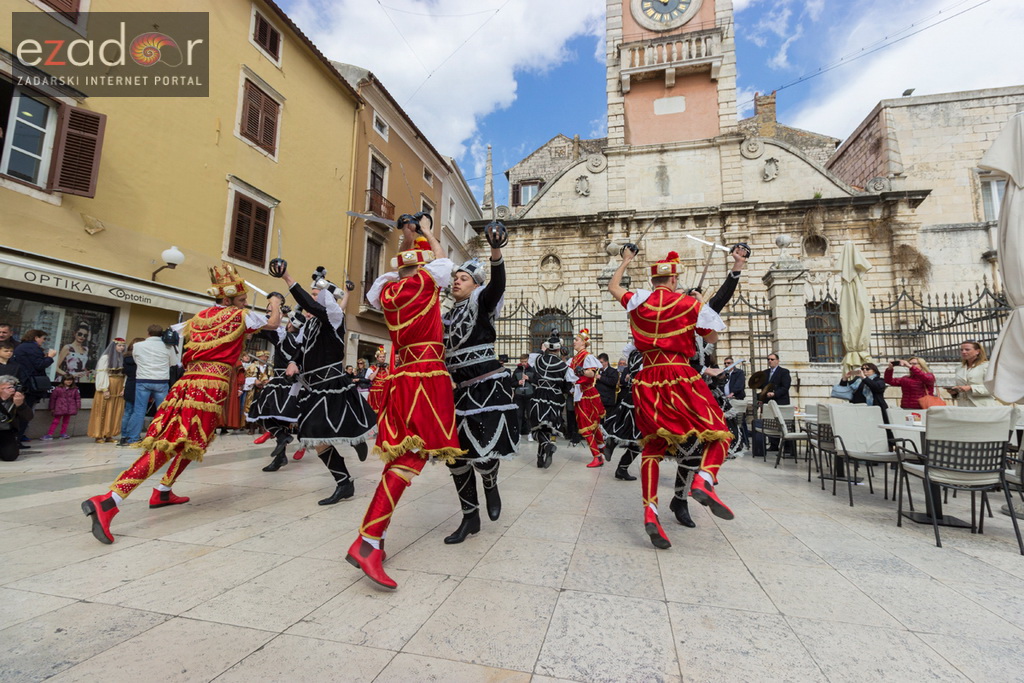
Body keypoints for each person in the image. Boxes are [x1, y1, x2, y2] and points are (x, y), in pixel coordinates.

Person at [81, 264, 282, 544]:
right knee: (174, 442)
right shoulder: (238, 316)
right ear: (227, 300)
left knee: (196, 440)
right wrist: (275, 303)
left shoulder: (197, 318)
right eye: (241, 300)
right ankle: (110, 499)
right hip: (209, 388)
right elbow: (272, 324)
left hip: (188, 384)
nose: (245, 304)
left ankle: (163, 490)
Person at [348, 213, 462, 589]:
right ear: (423, 267)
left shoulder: (388, 294)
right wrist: (427, 231)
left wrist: (406, 238)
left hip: (400, 376)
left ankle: (373, 539)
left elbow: (385, 282)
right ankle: (368, 541)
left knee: (402, 456)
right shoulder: (426, 282)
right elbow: (444, 261)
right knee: (413, 457)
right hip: (427, 377)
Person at [608, 247, 734, 550]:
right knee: (718, 432)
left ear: (653, 281)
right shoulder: (689, 303)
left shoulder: (638, 300)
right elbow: (712, 337)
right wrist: (700, 306)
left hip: (648, 378)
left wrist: (626, 261)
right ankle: (703, 478)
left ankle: (650, 512)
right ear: (675, 279)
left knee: (652, 446)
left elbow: (613, 287)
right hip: (680, 375)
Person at [440, 222, 520, 544]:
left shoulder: (483, 302)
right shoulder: (445, 317)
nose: (456, 282)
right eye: (455, 278)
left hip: (486, 387)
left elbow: (498, 284)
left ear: (475, 285)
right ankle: (470, 518)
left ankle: (491, 483)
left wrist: (496, 251)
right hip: (456, 392)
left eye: (463, 279)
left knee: (482, 452)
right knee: (456, 458)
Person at [278, 266, 376, 504]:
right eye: (311, 294)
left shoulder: (332, 318)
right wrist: (293, 362)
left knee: (314, 432)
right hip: (315, 388)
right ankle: (344, 482)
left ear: (326, 299)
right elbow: (301, 349)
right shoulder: (310, 325)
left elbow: (313, 307)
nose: (311, 299)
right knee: (315, 436)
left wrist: (288, 278)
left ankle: (347, 473)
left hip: (332, 385)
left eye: (315, 295)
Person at [249, 318, 303, 472]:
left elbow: (265, 330)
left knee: (259, 410)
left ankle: (280, 437)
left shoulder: (283, 336)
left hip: (281, 382)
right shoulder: (303, 342)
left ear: (291, 324)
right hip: (297, 385)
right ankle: (280, 457)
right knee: (284, 421)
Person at [123, 325, 177, 445]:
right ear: (161, 334)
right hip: (161, 380)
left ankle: (133, 438)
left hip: (143, 379)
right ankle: (161, 436)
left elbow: (137, 360)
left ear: (148, 333)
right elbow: (173, 363)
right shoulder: (168, 346)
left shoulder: (138, 346)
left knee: (139, 410)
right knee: (162, 410)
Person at [602, 340, 641, 481]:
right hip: (644, 399)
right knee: (640, 437)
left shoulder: (635, 355)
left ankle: (621, 467)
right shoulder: (644, 355)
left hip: (633, 397)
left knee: (636, 437)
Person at [529, 334, 569, 468]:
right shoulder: (562, 365)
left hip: (539, 394)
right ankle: (546, 449)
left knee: (537, 426)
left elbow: (533, 377)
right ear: (559, 349)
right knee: (545, 428)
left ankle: (542, 455)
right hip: (554, 398)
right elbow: (567, 385)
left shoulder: (538, 359)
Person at [567, 329, 605, 467]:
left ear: (583, 343)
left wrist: (582, 371)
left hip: (587, 395)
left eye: (576, 340)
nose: (574, 342)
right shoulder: (576, 357)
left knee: (585, 426)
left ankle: (597, 456)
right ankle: (602, 448)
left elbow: (591, 373)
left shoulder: (587, 356)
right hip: (580, 394)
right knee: (592, 425)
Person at [14, 329, 57, 442]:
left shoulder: (23, 347)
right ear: (36, 337)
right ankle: (17, 439)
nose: (43, 341)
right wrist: (50, 357)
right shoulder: (33, 348)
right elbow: (39, 365)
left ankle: (17, 438)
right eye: (43, 338)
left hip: (24, 383)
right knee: (25, 412)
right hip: (30, 385)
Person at [88, 338, 127, 443]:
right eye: (119, 345)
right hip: (108, 384)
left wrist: (124, 387)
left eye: (123, 346)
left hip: (118, 385)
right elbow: (102, 373)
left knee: (115, 409)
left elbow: (125, 375)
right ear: (114, 346)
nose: (121, 348)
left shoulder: (122, 358)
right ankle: (99, 434)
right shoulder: (106, 358)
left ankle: (109, 434)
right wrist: (104, 388)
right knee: (103, 409)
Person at [950, 341, 998, 407]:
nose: (963, 352)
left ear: (977, 351)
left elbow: (992, 388)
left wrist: (971, 388)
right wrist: (955, 392)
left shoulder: (987, 366)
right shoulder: (959, 368)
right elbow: (960, 387)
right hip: (963, 406)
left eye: (967, 349)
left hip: (982, 406)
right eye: (961, 350)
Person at [118, 338, 144, 445]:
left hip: (129, 384)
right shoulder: (141, 359)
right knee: (136, 412)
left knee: (128, 412)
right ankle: (132, 435)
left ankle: (124, 435)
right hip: (139, 384)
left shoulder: (125, 358)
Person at [0, 376, 30, 462]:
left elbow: (28, 417)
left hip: (6, 431)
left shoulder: (17, 399)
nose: (12, 389)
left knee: (10, 456)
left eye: (13, 387)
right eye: (9, 387)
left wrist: (20, 405)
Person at [43, 376, 80, 440]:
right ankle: (50, 434)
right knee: (56, 421)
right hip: (60, 407)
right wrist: (52, 408)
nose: (69, 381)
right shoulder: (58, 389)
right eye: (67, 380)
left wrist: (77, 406)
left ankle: (63, 433)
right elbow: (53, 398)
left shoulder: (75, 389)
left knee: (66, 421)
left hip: (69, 408)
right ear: (63, 380)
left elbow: (77, 398)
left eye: (70, 380)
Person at [512, 354, 536, 440]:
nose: (523, 363)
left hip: (529, 396)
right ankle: (518, 433)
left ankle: (530, 433)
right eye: (522, 362)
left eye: (525, 362)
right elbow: (512, 383)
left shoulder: (532, 370)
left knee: (530, 415)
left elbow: (536, 381)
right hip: (519, 396)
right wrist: (517, 383)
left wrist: (528, 378)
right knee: (518, 415)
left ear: (528, 361)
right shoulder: (517, 370)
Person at [595, 352, 619, 417]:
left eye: (601, 362)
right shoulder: (597, 371)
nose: (599, 364)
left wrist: (600, 377)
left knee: (608, 419)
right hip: (598, 400)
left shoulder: (613, 371)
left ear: (606, 362)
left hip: (608, 401)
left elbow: (612, 382)